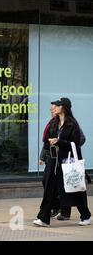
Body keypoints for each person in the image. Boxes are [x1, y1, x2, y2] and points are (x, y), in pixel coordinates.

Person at [34, 97, 91, 227]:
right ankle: (44, 218)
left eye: (57, 105)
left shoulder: (72, 124)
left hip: (68, 162)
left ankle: (86, 215)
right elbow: (47, 140)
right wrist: (47, 149)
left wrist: (59, 142)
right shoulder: (54, 123)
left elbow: (76, 144)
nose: (54, 107)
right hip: (54, 162)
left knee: (76, 189)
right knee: (49, 188)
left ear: (63, 108)